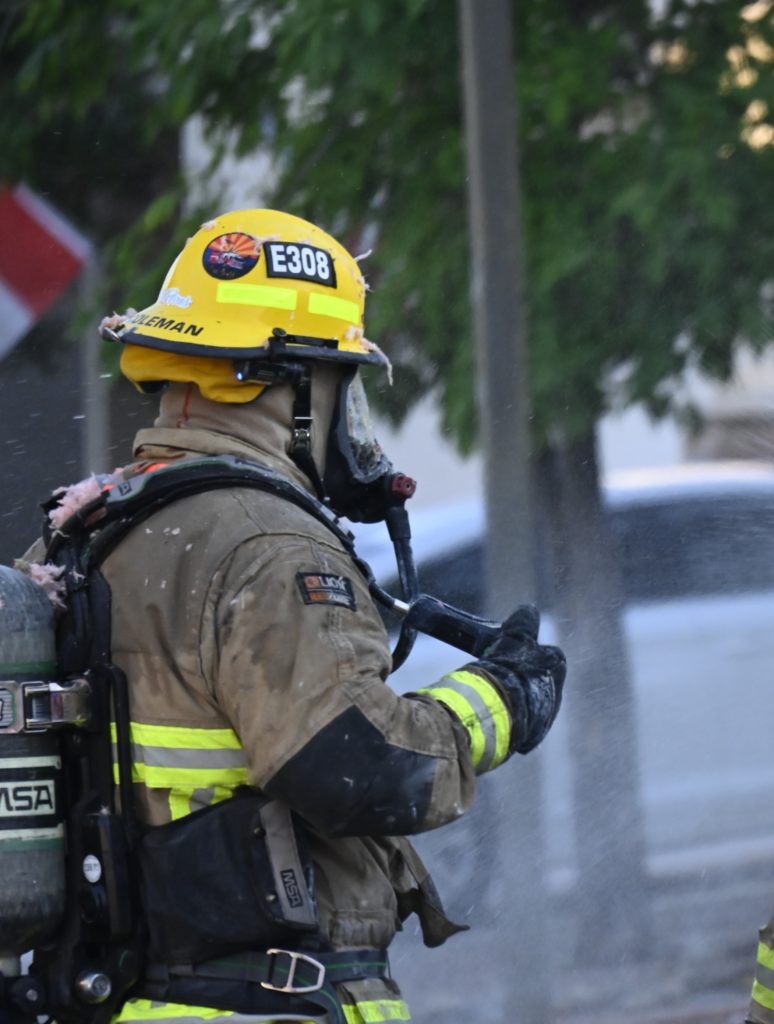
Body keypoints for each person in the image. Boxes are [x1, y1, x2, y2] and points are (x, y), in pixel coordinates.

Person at [31, 208, 567, 1024]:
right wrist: (502, 702)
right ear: (295, 384)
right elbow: (361, 770)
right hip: (265, 998)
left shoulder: (88, 533)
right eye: (343, 381)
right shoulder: (268, 545)